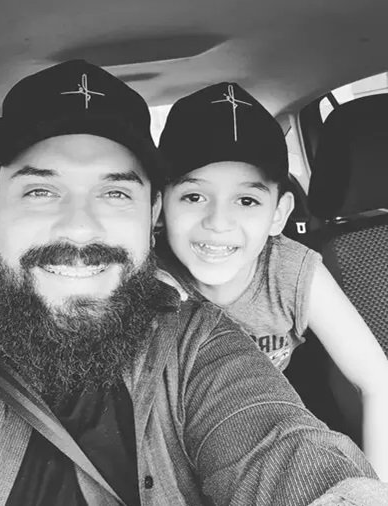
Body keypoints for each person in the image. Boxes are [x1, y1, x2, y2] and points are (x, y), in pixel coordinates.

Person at [0, 61, 387, 506]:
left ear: (150, 215)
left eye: (116, 194)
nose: (80, 228)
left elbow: (279, 446)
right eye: (41, 191)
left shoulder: (197, 343)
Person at [158, 81, 388, 480]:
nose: (218, 222)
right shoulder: (151, 281)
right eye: (194, 197)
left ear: (278, 214)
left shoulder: (291, 270)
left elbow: (376, 381)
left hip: (267, 427)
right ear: (160, 206)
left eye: (247, 200)